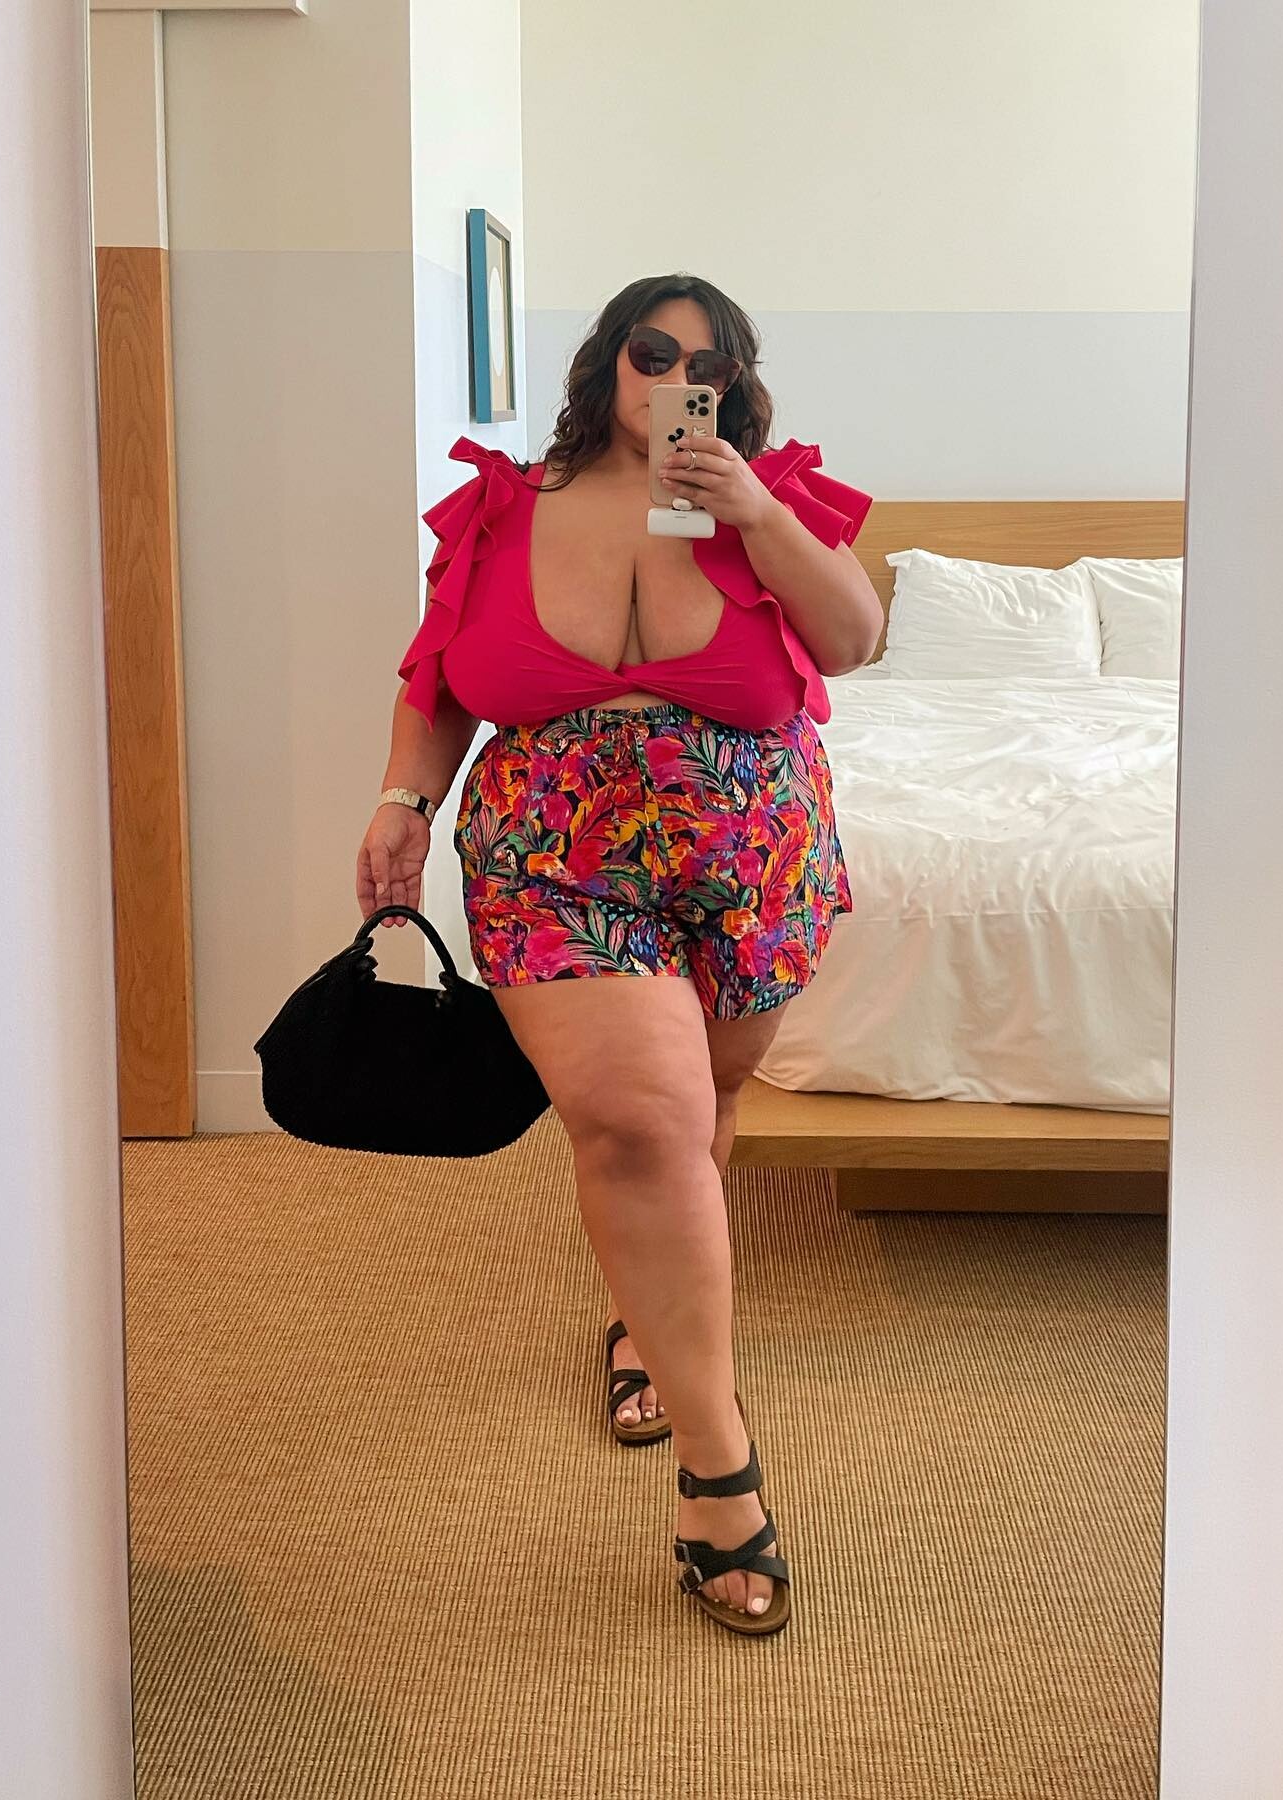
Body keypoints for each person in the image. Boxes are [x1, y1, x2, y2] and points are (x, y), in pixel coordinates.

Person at [355, 272, 880, 1637]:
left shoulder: (765, 499)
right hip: (557, 854)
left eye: (712, 363)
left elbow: (854, 640)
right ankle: (722, 1475)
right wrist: (407, 799)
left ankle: (649, 1325)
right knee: (641, 1124)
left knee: (703, 1109)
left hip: (749, 856)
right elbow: (438, 680)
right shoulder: (502, 508)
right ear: (607, 361)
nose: (680, 378)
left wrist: (753, 510)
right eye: (656, 350)